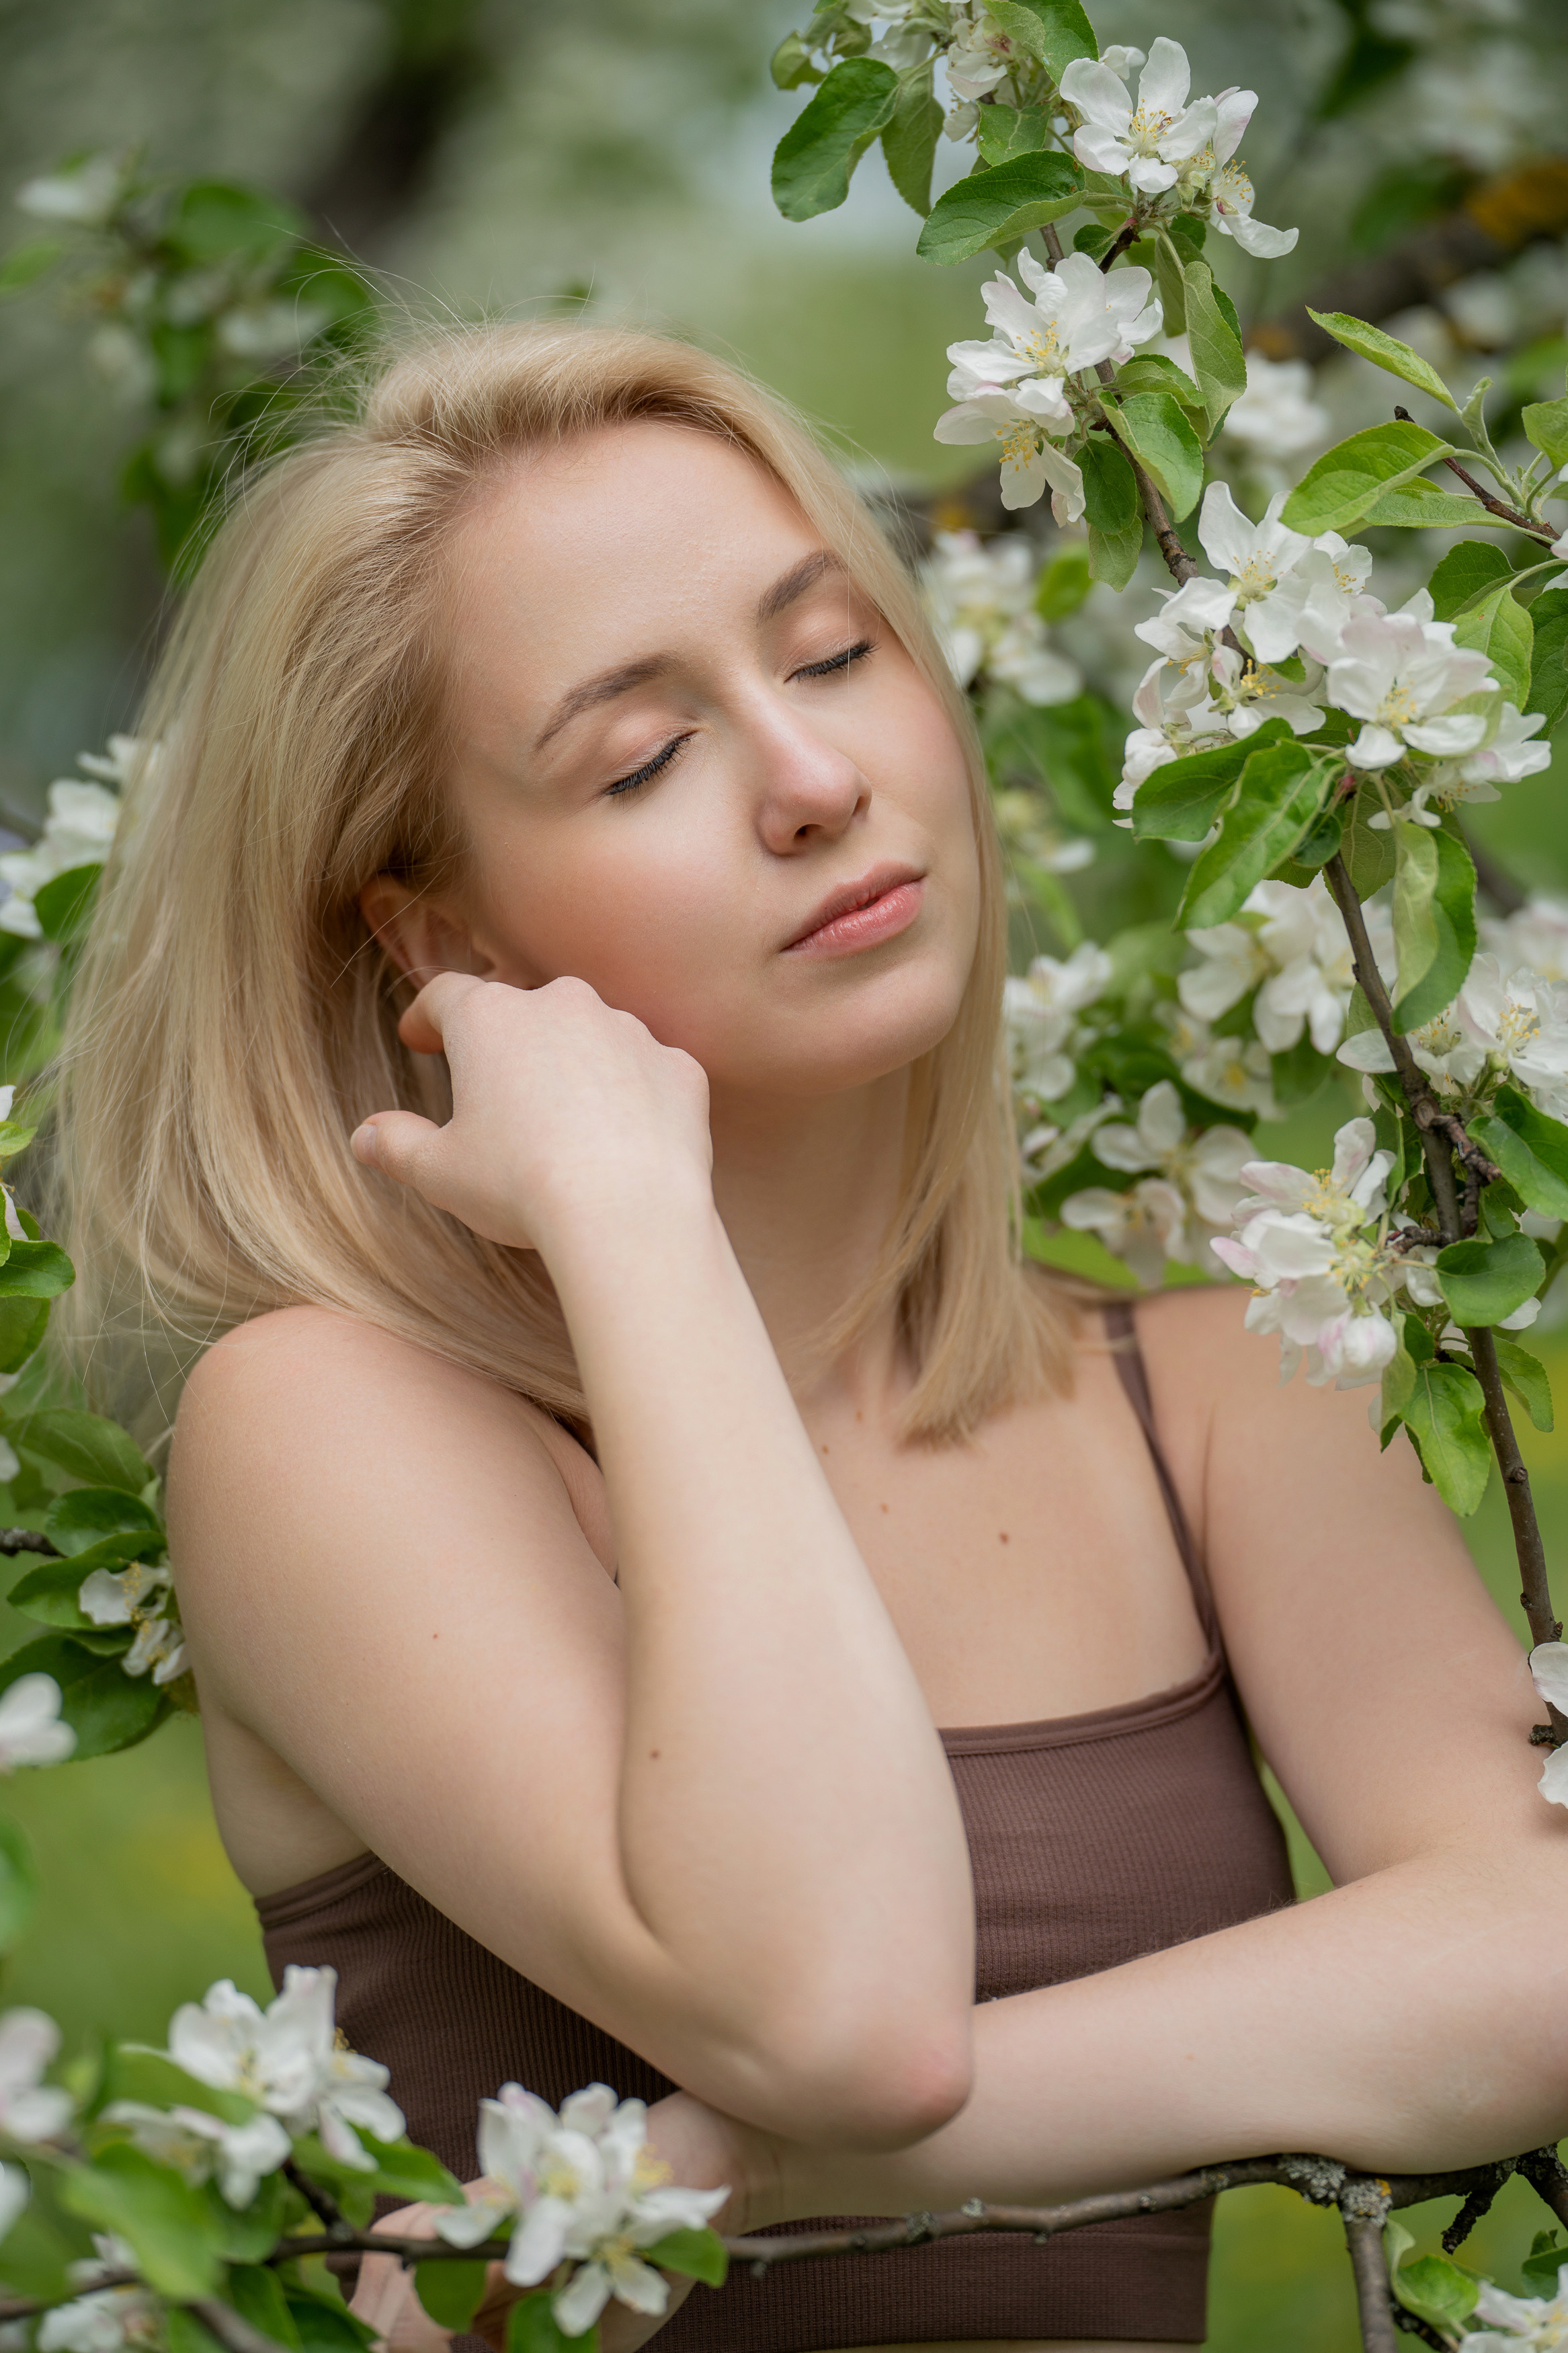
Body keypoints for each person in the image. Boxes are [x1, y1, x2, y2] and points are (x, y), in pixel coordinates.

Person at [57, 322, 1567, 2353]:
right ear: (439, 934)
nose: (815, 779)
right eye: (642, 755)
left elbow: (1535, 1956)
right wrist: (631, 1224)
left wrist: (721, 2170)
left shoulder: (1210, 1389)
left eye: (836, 651)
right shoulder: (329, 1423)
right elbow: (836, 2014)